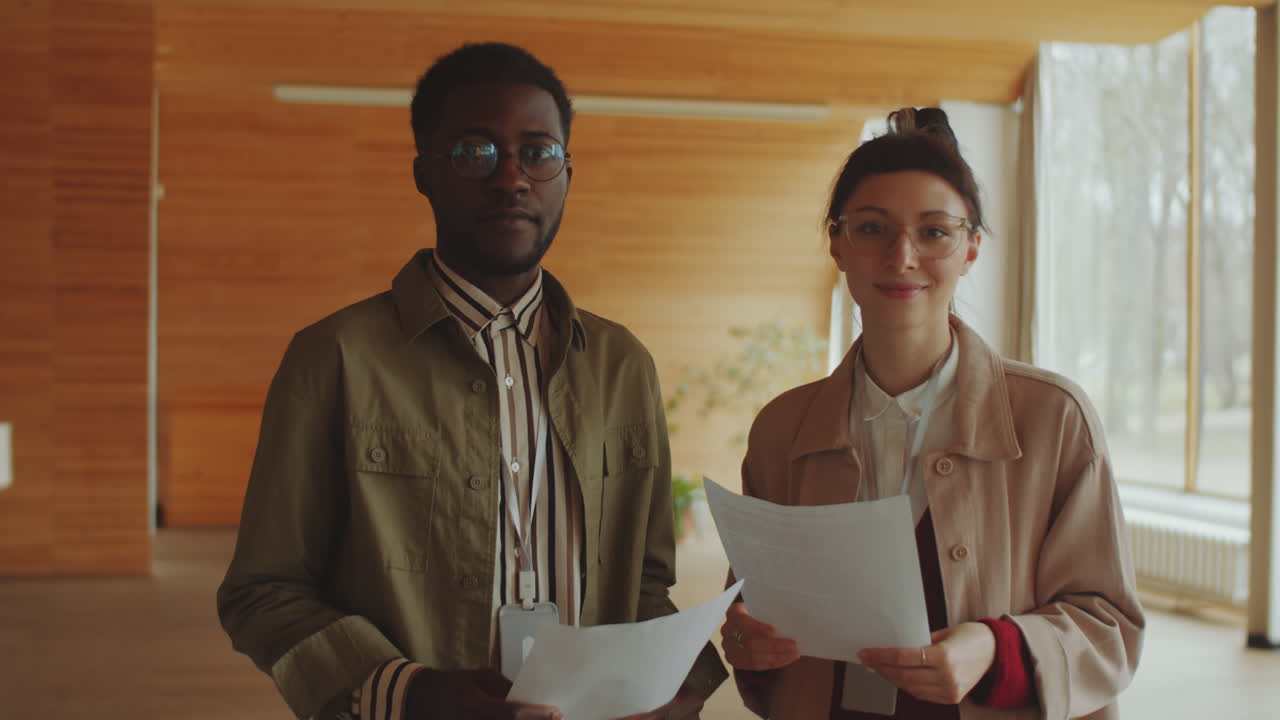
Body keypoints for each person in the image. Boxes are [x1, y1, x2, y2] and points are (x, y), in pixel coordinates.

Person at [217, 42, 726, 720]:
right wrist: (407, 691)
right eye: (474, 152)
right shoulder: (335, 358)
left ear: (566, 174)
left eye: (538, 152)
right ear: (424, 172)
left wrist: (677, 677)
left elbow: (645, 585)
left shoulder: (621, 365)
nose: (510, 178)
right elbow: (264, 590)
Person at [717, 108, 1144, 719]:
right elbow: (750, 611)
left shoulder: (1054, 418)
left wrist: (994, 650)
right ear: (836, 244)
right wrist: (747, 642)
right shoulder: (781, 430)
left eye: (934, 232)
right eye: (872, 229)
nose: (901, 256)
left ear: (971, 249)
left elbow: (1108, 627)